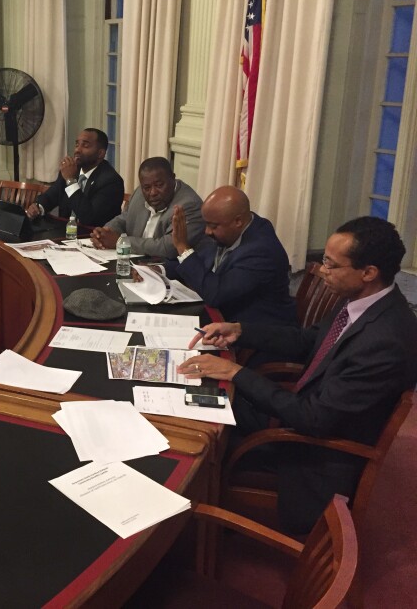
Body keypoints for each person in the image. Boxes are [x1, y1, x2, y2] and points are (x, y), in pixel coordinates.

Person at [179, 217, 417, 534]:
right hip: (300, 412)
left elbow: (313, 419)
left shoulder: (385, 342)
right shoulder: (363, 302)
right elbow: (306, 341)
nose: (320, 270)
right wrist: (240, 331)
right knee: (197, 394)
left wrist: (235, 372)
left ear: (368, 272)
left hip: (313, 451)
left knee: (196, 429)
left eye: (332, 265)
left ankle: (192, 528)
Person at [164, 185, 296, 326]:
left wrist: (183, 248)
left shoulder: (261, 251)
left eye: (213, 226)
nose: (207, 231)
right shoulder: (231, 231)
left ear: (238, 221)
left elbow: (216, 295)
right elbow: (200, 260)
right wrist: (158, 270)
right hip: (223, 318)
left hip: (256, 333)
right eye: (206, 224)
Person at [90, 156, 206, 258]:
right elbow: (125, 218)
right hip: (134, 262)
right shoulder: (140, 193)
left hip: (166, 270)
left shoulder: (189, 205)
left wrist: (120, 242)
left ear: (173, 178)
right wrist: (104, 233)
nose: (153, 192)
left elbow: (170, 247)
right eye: (147, 187)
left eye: (159, 185)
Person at [26, 128, 125, 227]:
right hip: (64, 233)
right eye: (77, 144)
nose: (77, 150)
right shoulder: (71, 170)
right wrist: (38, 207)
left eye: (85, 145)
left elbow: (89, 218)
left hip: (91, 236)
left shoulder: (111, 181)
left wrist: (71, 182)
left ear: (100, 154)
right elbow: (50, 197)